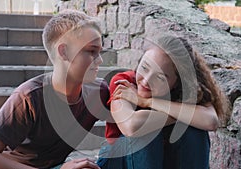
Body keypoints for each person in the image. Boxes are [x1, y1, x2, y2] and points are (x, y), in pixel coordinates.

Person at [0, 10, 110, 169]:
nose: (100, 60)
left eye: (99, 52)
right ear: (64, 52)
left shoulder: (99, 91)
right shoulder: (28, 98)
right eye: (91, 51)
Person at [97, 35, 231, 169]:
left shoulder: (188, 92)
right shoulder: (123, 82)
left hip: (164, 160)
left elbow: (210, 121)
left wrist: (148, 102)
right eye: (145, 67)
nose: (145, 81)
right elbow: (131, 126)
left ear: (176, 83)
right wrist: (183, 116)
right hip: (118, 161)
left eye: (160, 77)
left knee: (194, 132)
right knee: (147, 130)